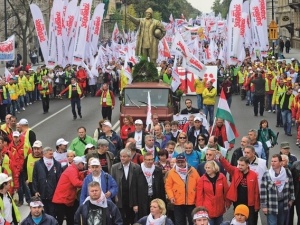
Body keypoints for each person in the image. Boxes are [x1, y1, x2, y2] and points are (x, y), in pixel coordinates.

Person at [217, 154, 260, 225]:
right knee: (238, 221)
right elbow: (228, 166)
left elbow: (256, 191)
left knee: (251, 221)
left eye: (242, 165)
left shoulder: (253, 175)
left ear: (247, 165)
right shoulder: (235, 171)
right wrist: (221, 158)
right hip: (237, 202)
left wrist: (257, 206)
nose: (240, 167)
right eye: (239, 164)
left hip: (249, 203)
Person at [165, 154, 200, 225]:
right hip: (177, 201)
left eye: (182, 162)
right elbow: (168, 186)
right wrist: (171, 197)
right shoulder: (171, 172)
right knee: (179, 222)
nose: (180, 164)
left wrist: (197, 198)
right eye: (178, 162)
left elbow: (198, 184)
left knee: (192, 221)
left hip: (191, 201)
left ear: (185, 161)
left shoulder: (193, 170)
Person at [261, 154, 295, 225]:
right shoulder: (267, 174)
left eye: (275, 161)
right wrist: (264, 206)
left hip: (283, 204)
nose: (273, 163)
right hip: (271, 204)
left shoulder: (287, 172)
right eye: (272, 161)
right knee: (272, 223)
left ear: (280, 163)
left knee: (281, 223)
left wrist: (291, 199)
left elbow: (291, 186)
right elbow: (263, 191)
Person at [52, 156, 85, 225]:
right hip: (63, 199)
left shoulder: (72, 169)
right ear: (79, 164)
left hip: (64, 199)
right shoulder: (72, 170)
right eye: (83, 164)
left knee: (69, 218)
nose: (84, 165)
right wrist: (87, 183)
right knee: (61, 220)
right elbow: (76, 183)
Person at [111, 149, 140, 225]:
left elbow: (138, 185)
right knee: (120, 219)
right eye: (121, 156)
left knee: (131, 219)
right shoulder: (114, 167)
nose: (122, 158)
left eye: (124, 156)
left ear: (130, 157)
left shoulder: (136, 167)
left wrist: (136, 202)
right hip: (120, 199)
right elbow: (112, 183)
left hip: (131, 198)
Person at [196, 160, 229, 225]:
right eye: (206, 168)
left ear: (214, 168)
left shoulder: (222, 177)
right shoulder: (202, 179)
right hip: (207, 209)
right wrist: (199, 209)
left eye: (209, 168)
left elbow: (226, 191)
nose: (207, 169)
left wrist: (227, 203)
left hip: (219, 208)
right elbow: (199, 195)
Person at [32, 147, 62, 217]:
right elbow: (35, 178)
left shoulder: (57, 164)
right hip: (42, 193)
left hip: (53, 194)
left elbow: (59, 179)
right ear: (44, 154)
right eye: (50, 154)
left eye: (52, 154)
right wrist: (35, 190)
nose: (51, 155)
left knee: (52, 213)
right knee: (42, 213)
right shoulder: (37, 164)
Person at [137, 152, 166, 218]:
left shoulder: (158, 170)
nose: (150, 161)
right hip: (142, 199)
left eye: (151, 159)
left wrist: (162, 202)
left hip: (155, 197)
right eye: (148, 160)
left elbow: (161, 187)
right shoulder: (137, 170)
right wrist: (135, 204)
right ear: (144, 160)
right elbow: (134, 188)